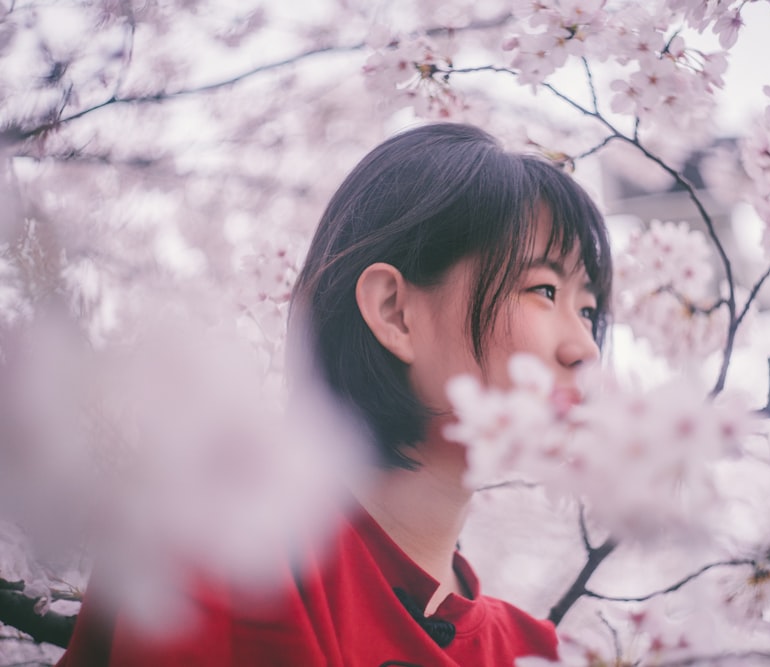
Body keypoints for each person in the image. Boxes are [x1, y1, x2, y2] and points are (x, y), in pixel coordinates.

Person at [58, 122, 613, 666]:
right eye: (543, 289)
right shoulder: (228, 559)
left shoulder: (534, 652)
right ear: (396, 313)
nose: (585, 348)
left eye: (588, 309)